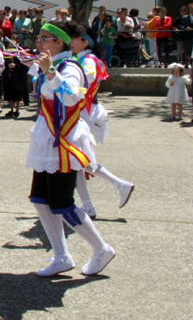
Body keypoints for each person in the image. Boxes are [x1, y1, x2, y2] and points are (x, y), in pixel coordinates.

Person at [22, 21, 115, 277]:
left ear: (58, 42)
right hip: (48, 138)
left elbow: (72, 97)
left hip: (63, 139)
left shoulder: (69, 67)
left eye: (44, 38)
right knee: (40, 199)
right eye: (38, 37)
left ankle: (102, 249)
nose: (38, 41)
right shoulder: (53, 65)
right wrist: (38, 67)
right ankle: (61, 256)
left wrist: (50, 71)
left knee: (62, 203)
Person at [69, 27, 134, 218]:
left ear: (85, 42)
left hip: (85, 113)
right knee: (77, 161)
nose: (70, 41)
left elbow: (85, 82)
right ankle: (89, 204)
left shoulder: (88, 60)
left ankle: (118, 185)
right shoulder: (82, 59)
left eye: (74, 38)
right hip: (83, 111)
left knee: (79, 160)